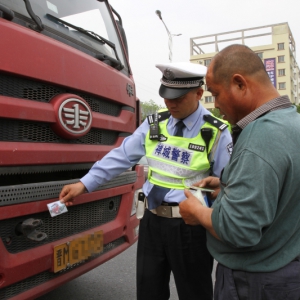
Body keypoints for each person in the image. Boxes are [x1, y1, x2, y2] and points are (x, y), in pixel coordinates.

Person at [59, 62, 232, 300]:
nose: (170, 103)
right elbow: (121, 155)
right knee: (148, 291)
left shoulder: (216, 132)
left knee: (195, 293)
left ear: (199, 94)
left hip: (191, 227)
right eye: (166, 96)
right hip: (152, 221)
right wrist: (85, 183)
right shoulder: (154, 125)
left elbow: (228, 186)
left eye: (178, 98)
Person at [179, 44, 300, 300]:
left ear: (239, 84)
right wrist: (227, 188)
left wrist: (198, 213)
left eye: (215, 93)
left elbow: (239, 230)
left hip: (254, 281)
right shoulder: (292, 122)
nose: (216, 104)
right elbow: (283, 189)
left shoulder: (260, 136)